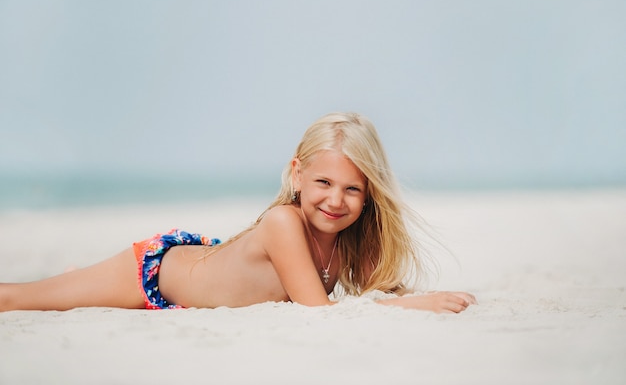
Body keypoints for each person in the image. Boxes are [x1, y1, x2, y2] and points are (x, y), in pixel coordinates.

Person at [0, 112, 476, 313]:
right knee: (19, 298)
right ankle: (79, 281)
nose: (336, 200)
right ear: (297, 174)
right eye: (324, 183)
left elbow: (372, 297)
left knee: (69, 291)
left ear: (371, 194)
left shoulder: (352, 236)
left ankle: (77, 279)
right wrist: (414, 307)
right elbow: (322, 313)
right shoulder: (282, 222)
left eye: (353, 189)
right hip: (155, 273)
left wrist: (414, 298)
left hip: (205, 267)